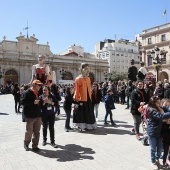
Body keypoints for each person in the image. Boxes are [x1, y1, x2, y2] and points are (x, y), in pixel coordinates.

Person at [147, 96, 170, 169]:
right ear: (153, 103)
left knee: (160, 149)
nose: (159, 103)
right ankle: (153, 161)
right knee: (153, 148)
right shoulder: (151, 110)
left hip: (159, 132)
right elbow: (161, 116)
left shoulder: (160, 107)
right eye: (157, 102)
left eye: (159, 101)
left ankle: (157, 159)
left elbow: (167, 108)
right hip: (152, 132)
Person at [73, 63, 97, 131]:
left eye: (88, 69)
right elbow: (77, 90)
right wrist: (76, 100)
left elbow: (89, 89)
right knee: (82, 113)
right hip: (81, 99)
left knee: (89, 112)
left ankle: (89, 125)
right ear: (81, 69)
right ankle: (82, 126)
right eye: (86, 69)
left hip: (88, 98)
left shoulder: (88, 79)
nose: (87, 71)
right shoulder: (78, 79)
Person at [21, 80, 42, 151]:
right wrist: (33, 102)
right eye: (38, 85)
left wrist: (43, 102)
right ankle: (26, 144)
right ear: (34, 85)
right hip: (30, 116)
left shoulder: (38, 93)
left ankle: (35, 146)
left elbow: (39, 103)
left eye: (40, 85)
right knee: (29, 131)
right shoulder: (27, 92)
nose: (40, 86)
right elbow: (22, 102)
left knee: (37, 132)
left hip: (38, 115)